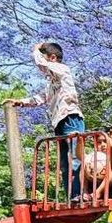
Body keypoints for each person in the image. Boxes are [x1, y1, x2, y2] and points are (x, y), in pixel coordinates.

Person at [31, 40, 85, 199]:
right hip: (59, 122)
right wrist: (22, 102)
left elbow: (41, 63)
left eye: (45, 57)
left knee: (74, 157)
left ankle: (78, 193)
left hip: (70, 117)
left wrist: (36, 51)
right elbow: (43, 97)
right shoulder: (51, 82)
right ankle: (71, 196)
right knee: (64, 162)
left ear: (53, 58)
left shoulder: (62, 69)